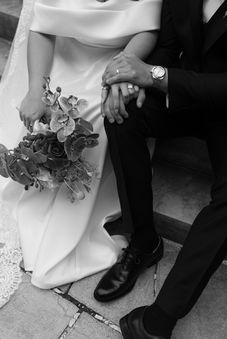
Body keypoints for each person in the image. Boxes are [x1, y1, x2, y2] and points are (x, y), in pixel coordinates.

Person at [95, 0, 227, 339]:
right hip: (185, 94)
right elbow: (171, 44)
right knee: (122, 114)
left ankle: (154, 322)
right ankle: (143, 242)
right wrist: (135, 80)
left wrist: (157, 76)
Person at [0, 0, 163, 290]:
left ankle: (70, 215)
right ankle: (41, 177)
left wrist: (120, 71)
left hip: (115, 57)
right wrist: (36, 90)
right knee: (50, 107)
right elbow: (41, 28)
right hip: (62, 52)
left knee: (97, 113)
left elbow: (148, 28)